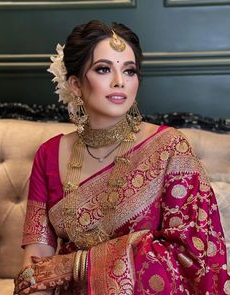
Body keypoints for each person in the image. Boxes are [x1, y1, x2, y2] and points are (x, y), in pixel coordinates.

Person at [14, 20, 230, 295]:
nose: (120, 81)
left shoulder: (169, 148)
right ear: (75, 84)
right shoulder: (49, 154)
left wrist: (76, 265)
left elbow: (192, 254)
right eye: (104, 69)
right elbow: (36, 266)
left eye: (129, 71)